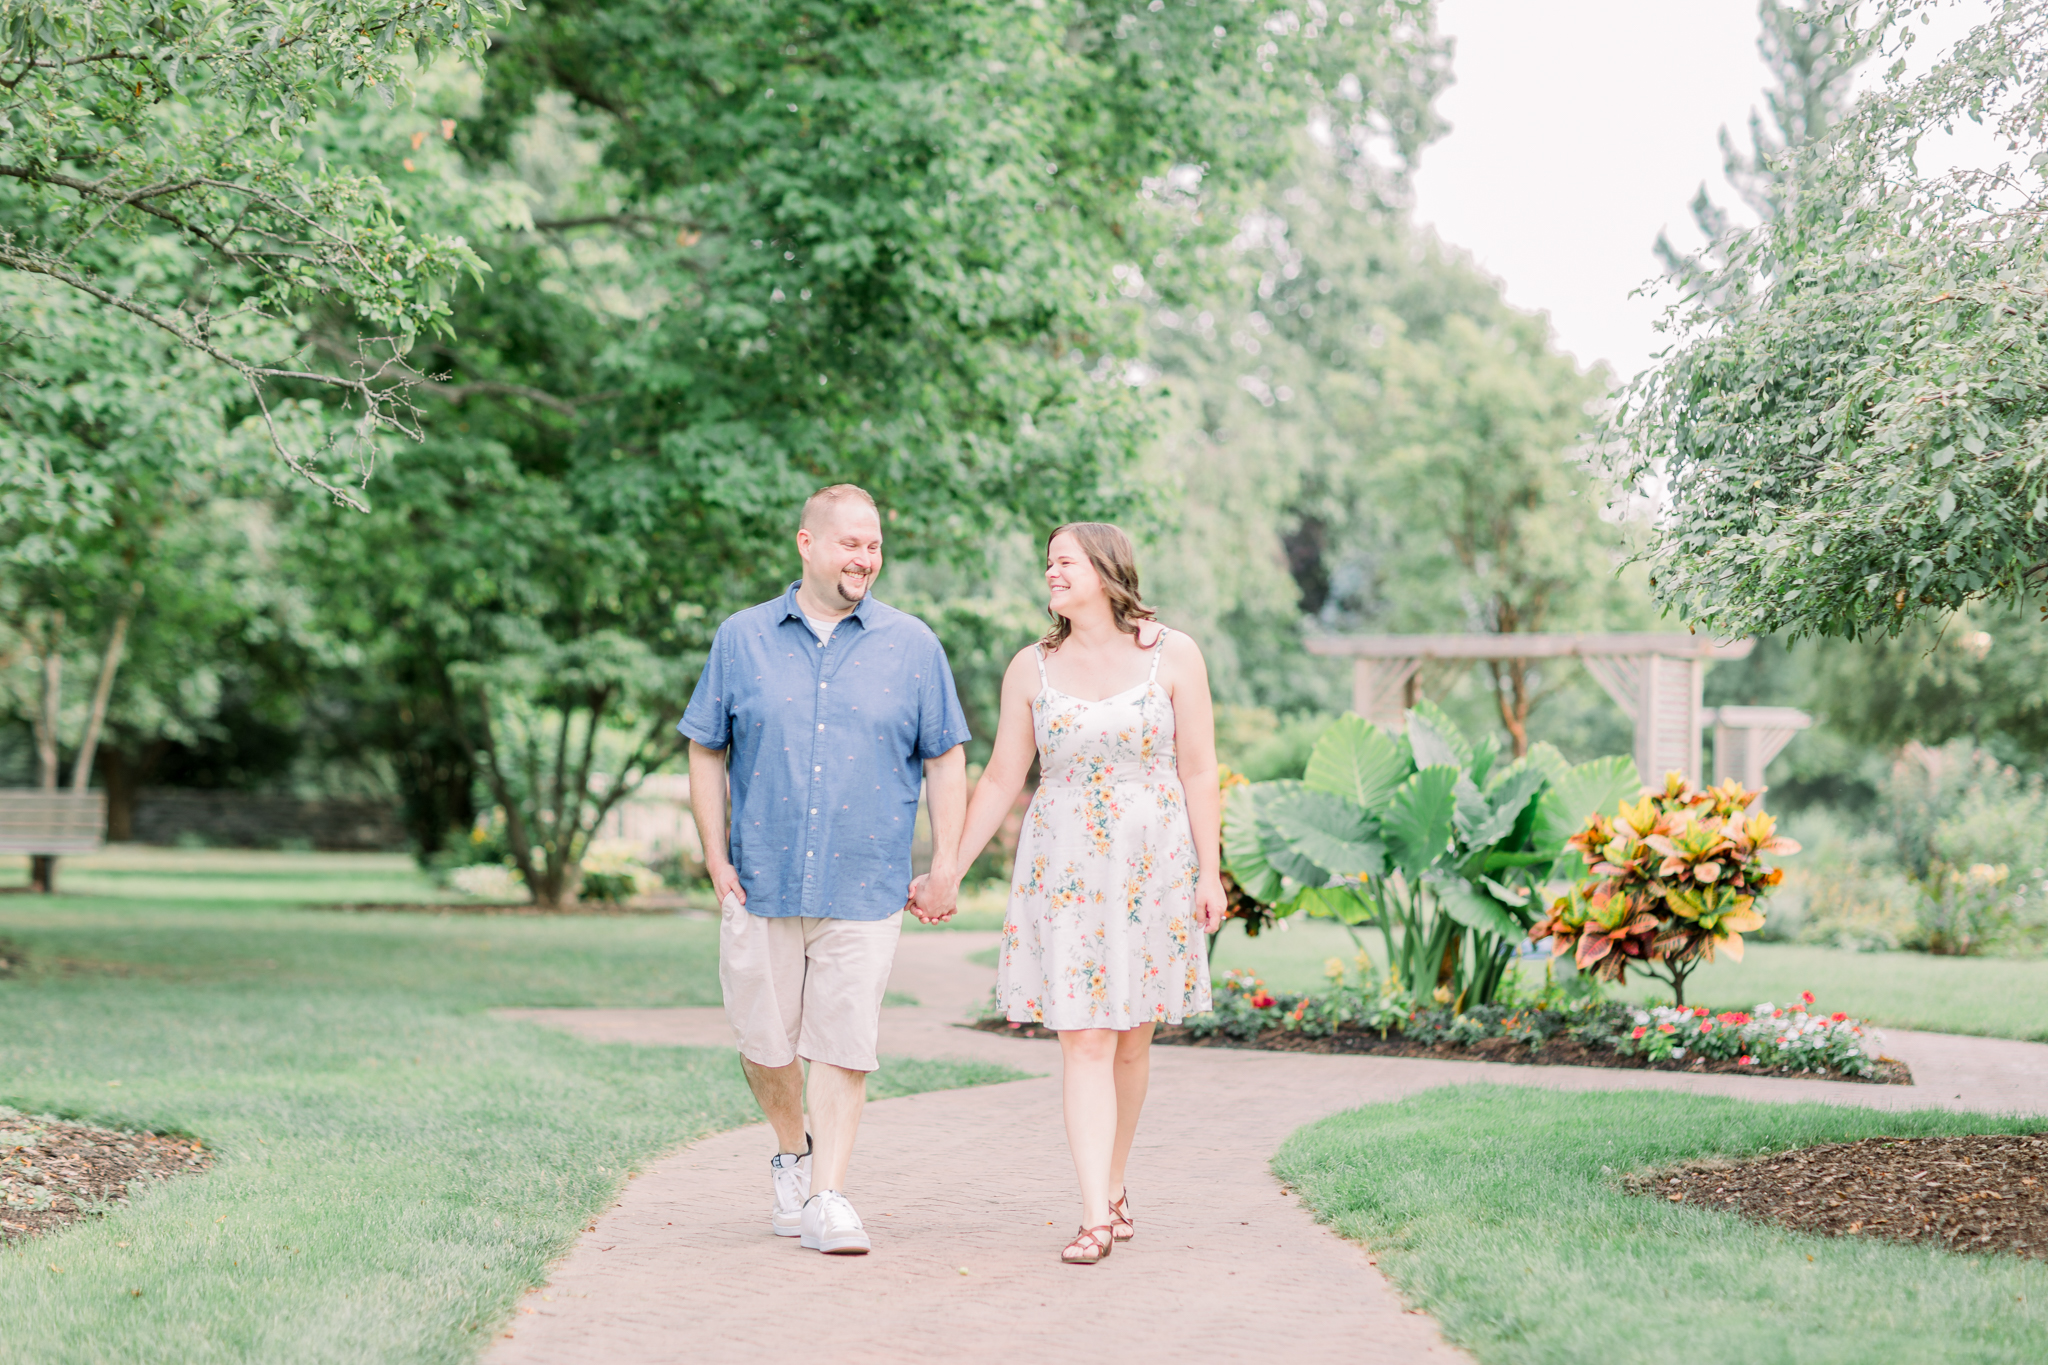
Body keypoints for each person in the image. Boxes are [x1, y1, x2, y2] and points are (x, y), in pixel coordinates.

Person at [911, 521, 1224, 1265]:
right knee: (1084, 1035)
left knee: (1132, 1039)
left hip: (1153, 866)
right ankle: (1092, 1213)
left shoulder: (1173, 654)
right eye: (1048, 562)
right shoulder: (1033, 665)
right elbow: (998, 778)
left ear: (1107, 570)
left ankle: (1114, 1186)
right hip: (1068, 869)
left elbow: (1201, 770)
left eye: (1065, 561)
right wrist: (948, 864)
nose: (1051, 572)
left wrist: (1210, 871)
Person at [682, 483, 970, 1256]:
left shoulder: (913, 646)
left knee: (846, 1041)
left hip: (866, 881)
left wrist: (945, 861)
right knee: (765, 1040)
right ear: (806, 543)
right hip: (761, 875)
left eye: (873, 545)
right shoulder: (740, 638)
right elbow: (706, 745)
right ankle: (791, 1150)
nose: (865, 559)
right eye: (850, 543)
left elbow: (946, 756)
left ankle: (829, 1195)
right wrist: (715, 853)